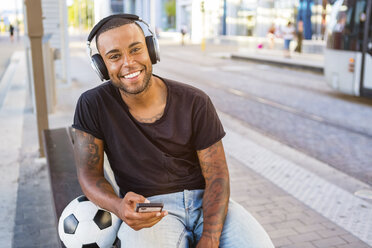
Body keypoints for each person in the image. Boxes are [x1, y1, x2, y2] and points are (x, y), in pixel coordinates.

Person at [73, 14, 274, 248]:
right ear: (102, 66)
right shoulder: (92, 105)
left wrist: (209, 237)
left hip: (205, 203)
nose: (128, 63)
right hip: (150, 208)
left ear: (151, 50)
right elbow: (89, 174)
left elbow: (217, 175)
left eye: (136, 49)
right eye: (114, 56)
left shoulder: (195, 101)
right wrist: (118, 206)